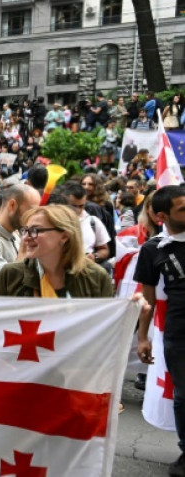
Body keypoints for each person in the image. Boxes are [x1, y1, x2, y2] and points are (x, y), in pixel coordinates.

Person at [134, 185, 185, 476]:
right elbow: (148, 299)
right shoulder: (153, 249)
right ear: (163, 215)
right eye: (182, 209)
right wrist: (143, 337)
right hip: (179, 333)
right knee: (184, 395)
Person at [0, 205, 113, 297]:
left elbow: (107, 325)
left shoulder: (96, 278)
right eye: (25, 230)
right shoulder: (10, 275)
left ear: (64, 236)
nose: (26, 238)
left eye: (35, 230)